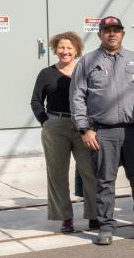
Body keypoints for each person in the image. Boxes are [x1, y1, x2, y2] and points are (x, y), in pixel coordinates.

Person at [70, 16, 134, 245]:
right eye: (107, 30)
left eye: (116, 30)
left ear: (123, 33)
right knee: (105, 181)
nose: (112, 34)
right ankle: (106, 226)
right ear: (100, 34)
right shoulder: (87, 62)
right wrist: (85, 129)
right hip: (102, 132)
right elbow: (77, 97)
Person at [31, 32, 98, 233]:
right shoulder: (46, 73)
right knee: (57, 174)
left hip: (83, 127)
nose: (65, 51)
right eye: (61, 47)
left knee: (91, 171)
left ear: (77, 50)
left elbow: (95, 99)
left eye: (69, 48)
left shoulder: (84, 71)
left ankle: (95, 215)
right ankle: (65, 217)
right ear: (55, 49)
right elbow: (36, 100)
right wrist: (45, 121)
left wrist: (92, 126)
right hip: (55, 126)